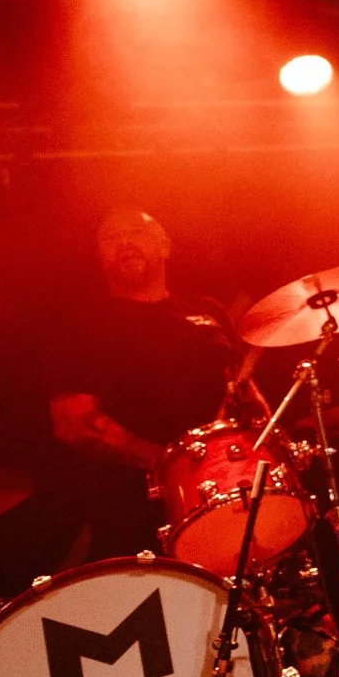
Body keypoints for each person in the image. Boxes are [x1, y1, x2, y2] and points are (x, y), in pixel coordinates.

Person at [45, 207, 239, 560]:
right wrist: (167, 464)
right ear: (100, 256)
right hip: (130, 506)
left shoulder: (206, 310)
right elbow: (72, 423)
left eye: (137, 232)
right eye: (111, 238)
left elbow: (238, 390)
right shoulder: (82, 326)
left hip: (219, 490)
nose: (125, 242)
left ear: (165, 246)